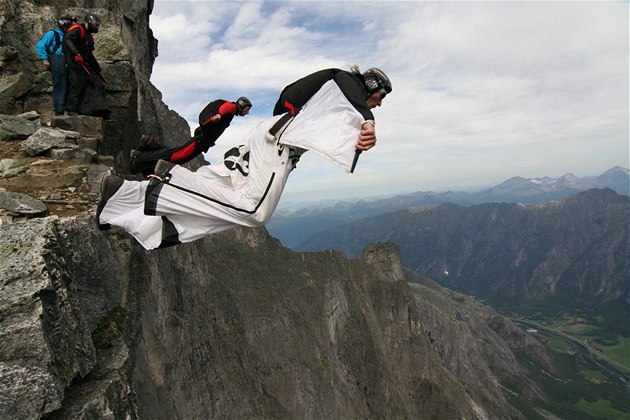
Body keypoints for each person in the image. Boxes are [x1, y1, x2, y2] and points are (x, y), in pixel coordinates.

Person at [96, 65, 391, 250]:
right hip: (278, 144)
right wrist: (367, 121)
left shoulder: (333, 104)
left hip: (263, 143)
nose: (377, 105)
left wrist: (360, 130)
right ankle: (163, 185)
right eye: (379, 97)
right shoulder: (342, 81)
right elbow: (343, 84)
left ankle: (127, 202)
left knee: (220, 203)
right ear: (371, 85)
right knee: (254, 211)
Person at [129, 97, 253, 176]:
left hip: (203, 140)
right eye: (247, 109)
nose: (247, 112)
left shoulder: (231, 113)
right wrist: (219, 115)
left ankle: (149, 145)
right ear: (241, 105)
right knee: (178, 156)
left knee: (178, 155)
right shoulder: (231, 107)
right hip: (201, 139)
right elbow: (226, 107)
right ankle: (139, 158)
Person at [63, 13, 110, 117]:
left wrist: (97, 69)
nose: (96, 27)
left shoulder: (89, 36)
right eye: (95, 25)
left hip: (85, 63)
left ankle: (95, 110)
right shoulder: (77, 29)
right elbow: (67, 39)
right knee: (77, 84)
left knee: (97, 84)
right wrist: (76, 54)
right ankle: (71, 110)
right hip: (74, 63)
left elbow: (89, 54)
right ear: (89, 22)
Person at [35, 16, 76, 116]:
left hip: (68, 60)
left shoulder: (69, 36)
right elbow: (40, 45)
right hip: (56, 59)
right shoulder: (52, 33)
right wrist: (45, 59)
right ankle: (59, 109)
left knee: (71, 83)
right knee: (60, 84)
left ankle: (69, 108)